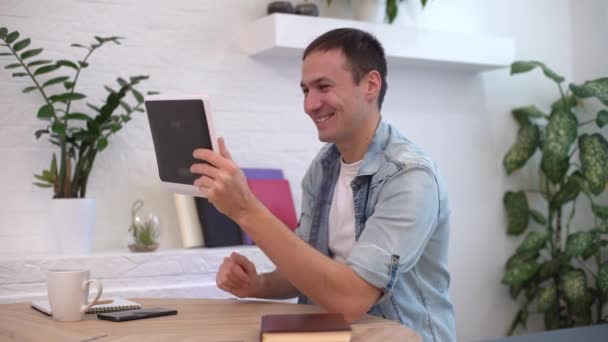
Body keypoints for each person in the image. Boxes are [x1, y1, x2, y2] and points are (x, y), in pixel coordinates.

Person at [190, 28, 455, 342]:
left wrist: (246, 210)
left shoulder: (410, 177)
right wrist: (258, 285)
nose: (309, 104)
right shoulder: (324, 167)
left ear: (371, 85)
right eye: (305, 90)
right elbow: (310, 270)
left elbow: (352, 298)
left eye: (323, 87)